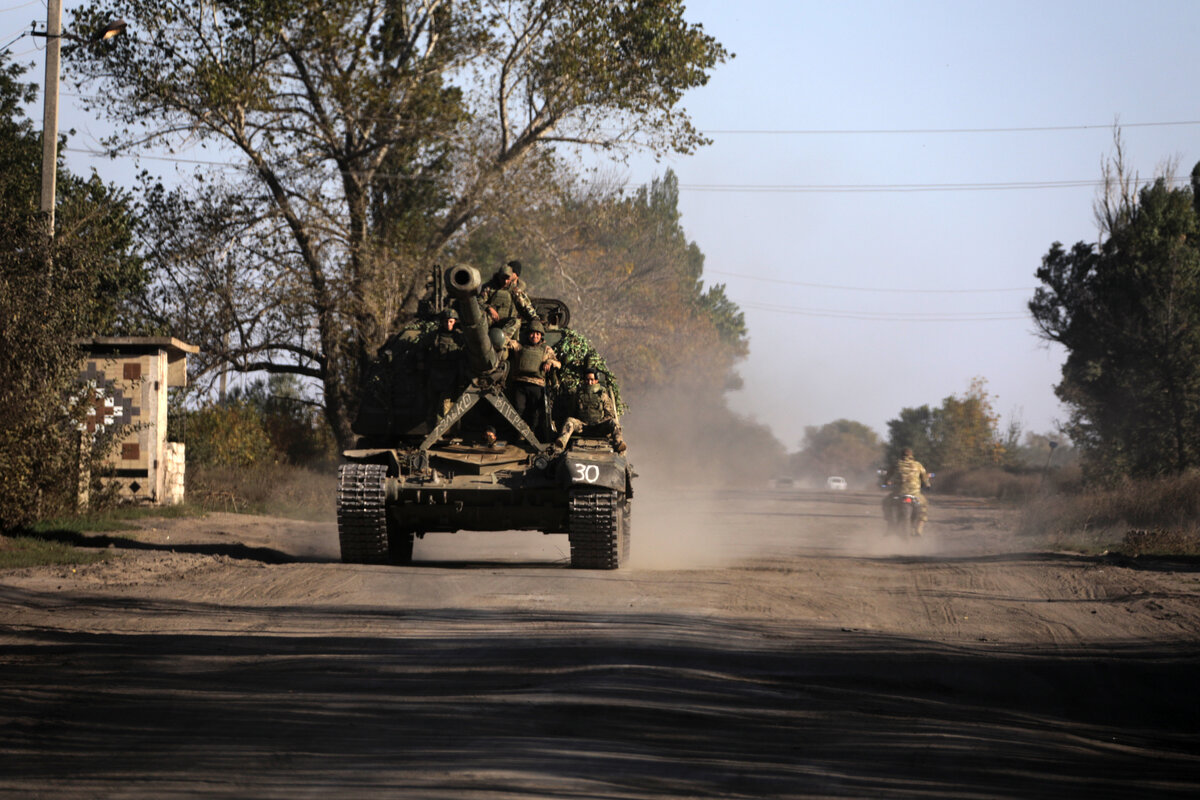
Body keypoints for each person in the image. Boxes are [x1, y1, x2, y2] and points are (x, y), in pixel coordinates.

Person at [505, 319, 560, 436]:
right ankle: (517, 435)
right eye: (532, 333)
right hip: (520, 384)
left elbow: (558, 364)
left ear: (541, 336)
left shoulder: (546, 350)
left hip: (537, 385)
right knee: (518, 410)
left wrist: (549, 362)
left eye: (537, 334)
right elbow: (506, 342)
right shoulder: (519, 347)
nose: (534, 336)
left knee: (535, 414)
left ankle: (531, 435)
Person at [553, 369, 627, 454]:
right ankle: (561, 443)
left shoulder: (603, 396)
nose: (589, 382)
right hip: (583, 427)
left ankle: (619, 444)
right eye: (587, 380)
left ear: (596, 381)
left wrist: (599, 422)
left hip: (599, 427)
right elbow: (572, 412)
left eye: (592, 380)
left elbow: (610, 415)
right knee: (570, 421)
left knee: (614, 422)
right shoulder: (578, 395)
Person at [425, 307, 464, 420]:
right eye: (446, 321)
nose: (448, 324)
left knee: (445, 407)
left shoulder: (459, 337)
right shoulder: (434, 336)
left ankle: (441, 431)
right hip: (435, 375)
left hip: (450, 377)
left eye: (451, 321)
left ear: (455, 322)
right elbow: (422, 349)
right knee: (432, 404)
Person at [481, 262, 538, 338]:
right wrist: (489, 308)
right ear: (498, 277)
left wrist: (536, 319)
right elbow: (478, 302)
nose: (505, 281)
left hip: (505, 323)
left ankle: (502, 340)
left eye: (507, 279)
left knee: (516, 321)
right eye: (503, 278)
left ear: (511, 278)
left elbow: (526, 305)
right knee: (481, 319)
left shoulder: (514, 290)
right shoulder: (489, 287)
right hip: (490, 320)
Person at [884, 447, 931, 535]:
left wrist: (886, 482)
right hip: (915, 493)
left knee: (886, 502)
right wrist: (927, 485)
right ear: (911, 455)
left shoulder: (896, 464)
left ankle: (890, 527)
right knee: (924, 505)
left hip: (899, 492)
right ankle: (919, 528)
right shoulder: (918, 465)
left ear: (901, 455)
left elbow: (888, 476)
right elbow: (925, 477)